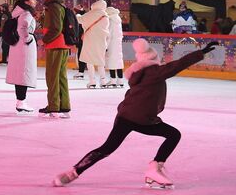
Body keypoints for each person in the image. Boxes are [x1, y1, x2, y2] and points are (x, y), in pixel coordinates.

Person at [53, 39, 219, 189]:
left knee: (107, 148)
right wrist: (201, 52)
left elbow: (132, 94)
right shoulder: (155, 72)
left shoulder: (138, 74)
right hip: (143, 120)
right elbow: (178, 65)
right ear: (153, 59)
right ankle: (155, 168)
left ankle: (71, 173)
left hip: (125, 116)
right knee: (174, 135)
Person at [38, 0, 72, 118]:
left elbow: (56, 28)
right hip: (61, 45)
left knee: (52, 76)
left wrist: (44, 40)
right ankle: (63, 106)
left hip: (55, 45)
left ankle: (54, 107)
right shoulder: (58, 5)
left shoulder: (53, 7)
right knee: (60, 76)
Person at [5, 0, 38, 113]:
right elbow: (22, 27)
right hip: (24, 46)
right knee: (24, 73)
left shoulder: (17, 12)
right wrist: (28, 38)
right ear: (26, 1)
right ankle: (21, 101)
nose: (35, 1)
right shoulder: (26, 13)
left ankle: (20, 101)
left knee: (20, 74)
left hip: (16, 46)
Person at [78, 0, 110, 88]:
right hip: (101, 41)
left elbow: (79, 20)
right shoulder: (105, 16)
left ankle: (92, 81)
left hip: (90, 41)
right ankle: (103, 81)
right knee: (100, 61)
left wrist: (77, 14)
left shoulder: (90, 14)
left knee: (89, 61)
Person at [105, 6, 125, 87]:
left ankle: (113, 80)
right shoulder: (118, 20)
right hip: (118, 43)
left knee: (111, 61)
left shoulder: (110, 20)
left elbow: (109, 34)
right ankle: (120, 80)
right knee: (119, 61)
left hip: (111, 43)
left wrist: (106, 45)